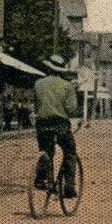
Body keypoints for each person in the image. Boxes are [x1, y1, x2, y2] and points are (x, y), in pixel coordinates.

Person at [32, 53, 80, 197]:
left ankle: (42, 178)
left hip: (42, 125)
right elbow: (71, 109)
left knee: (47, 151)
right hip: (60, 125)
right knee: (70, 153)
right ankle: (69, 186)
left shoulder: (38, 84)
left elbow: (36, 105)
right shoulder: (67, 86)